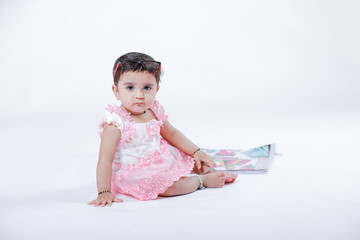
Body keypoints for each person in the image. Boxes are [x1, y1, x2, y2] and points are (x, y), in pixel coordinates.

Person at [88, 52, 237, 207]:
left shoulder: (153, 111)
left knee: (193, 160)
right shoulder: (116, 122)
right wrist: (104, 191)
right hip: (136, 172)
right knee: (166, 188)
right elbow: (105, 160)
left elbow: (172, 134)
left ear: (156, 90)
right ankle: (201, 181)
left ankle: (210, 172)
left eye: (147, 88)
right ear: (116, 91)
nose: (139, 95)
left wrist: (196, 151)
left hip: (160, 157)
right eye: (130, 88)